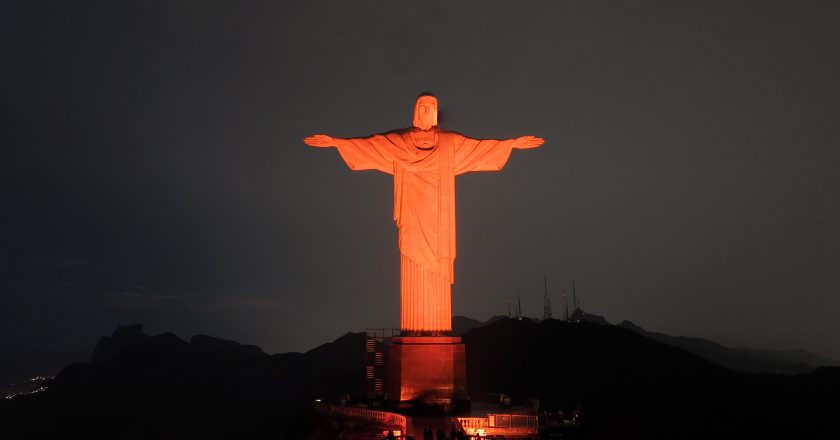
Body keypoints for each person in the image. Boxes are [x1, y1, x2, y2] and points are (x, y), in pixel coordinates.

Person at [304, 94, 543, 335]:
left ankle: (436, 330)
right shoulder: (400, 141)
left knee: (436, 266)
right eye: (423, 108)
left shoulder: (450, 143)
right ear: (416, 111)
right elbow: (371, 145)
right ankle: (414, 329)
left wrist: (510, 144)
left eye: (432, 108)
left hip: (439, 219)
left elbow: (479, 148)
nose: (428, 112)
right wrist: (337, 143)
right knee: (412, 258)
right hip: (412, 213)